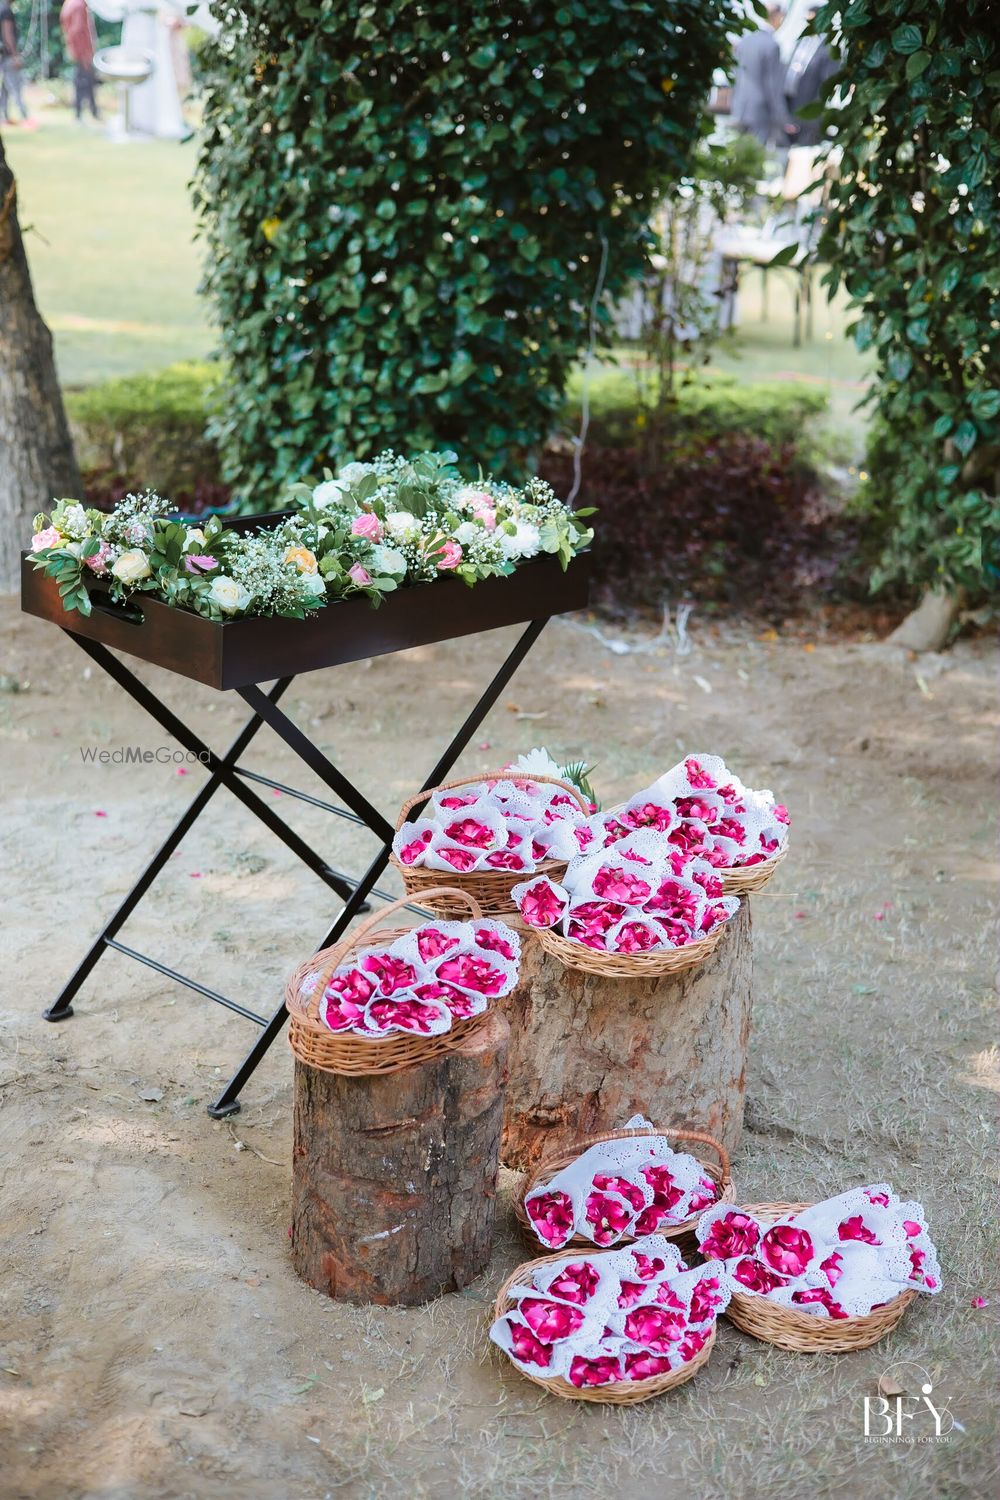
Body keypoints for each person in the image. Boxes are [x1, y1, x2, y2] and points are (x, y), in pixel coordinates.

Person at [730, 5, 788, 147]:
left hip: (739, 106)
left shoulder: (745, 41)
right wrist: (783, 118)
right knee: (754, 157)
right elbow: (772, 85)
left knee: (736, 153)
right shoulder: (772, 45)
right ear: (777, 18)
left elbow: (735, 71)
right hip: (760, 111)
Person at [783, 11, 838, 147]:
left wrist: (814, 112)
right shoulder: (801, 41)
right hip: (791, 104)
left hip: (810, 111)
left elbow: (827, 82)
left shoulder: (828, 47)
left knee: (804, 150)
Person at [61, 0, 101, 121]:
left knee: (84, 81)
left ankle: (91, 111)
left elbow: (68, 29)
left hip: (77, 49)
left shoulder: (68, 3)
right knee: (83, 82)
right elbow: (77, 29)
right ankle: (81, 113)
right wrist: (84, 52)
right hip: (82, 51)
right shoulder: (78, 5)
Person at [0, 0, 30, 125]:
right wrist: (15, 56)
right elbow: (8, 35)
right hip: (7, 55)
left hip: (3, 55)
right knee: (15, 86)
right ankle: (25, 117)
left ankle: (3, 116)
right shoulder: (6, 10)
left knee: (6, 88)